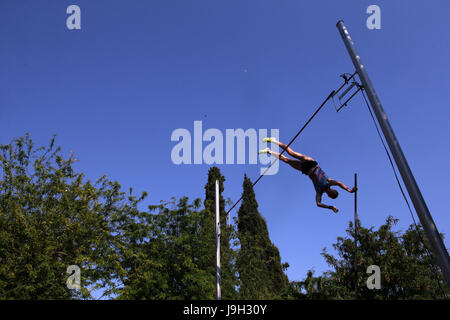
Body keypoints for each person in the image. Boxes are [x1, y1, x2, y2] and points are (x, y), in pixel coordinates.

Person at [259, 137, 357, 213]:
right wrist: (349, 190)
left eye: (330, 197)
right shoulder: (328, 182)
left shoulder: (319, 192)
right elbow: (339, 183)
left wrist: (330, 207)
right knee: (291, 153)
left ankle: (269, 151)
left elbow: (318, 204)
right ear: (333, 191)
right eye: (331, 195)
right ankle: (274, 141)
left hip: (305, 171)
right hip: (311, 164)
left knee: (287, 161)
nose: (329, 195)